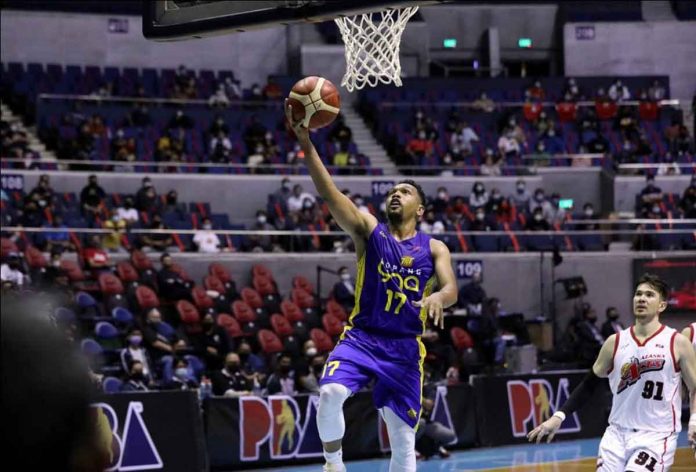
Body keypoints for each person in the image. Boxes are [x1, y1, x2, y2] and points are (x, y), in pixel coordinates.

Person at [286, 99, 458, 472]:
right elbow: (331, 195)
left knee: (403, 439)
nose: (396, 194)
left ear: (421, 209)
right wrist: (306, 142)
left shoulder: (434, 247)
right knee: (330, 393)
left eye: (405, 191)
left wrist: (438, 298)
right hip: (362, 337)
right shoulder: (369, 232)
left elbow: (451, 289)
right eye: (392, 191)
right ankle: (333, 463)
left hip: (403, 350)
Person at [528, 274, 696, 470]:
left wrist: (694, 420)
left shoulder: (677, 343)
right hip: (616, 435)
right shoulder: (614, 342)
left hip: (656, 437)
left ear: (662, 305)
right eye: (638, 294)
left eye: (649, 295)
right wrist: (559, 417)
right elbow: (588, 385)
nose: (641, 298)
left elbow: (694, 388)